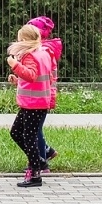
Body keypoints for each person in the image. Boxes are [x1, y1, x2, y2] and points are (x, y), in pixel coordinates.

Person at [6, 23, 54, 188]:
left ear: (25, 40)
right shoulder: (43, 54)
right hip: (37, 102)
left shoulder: (29, 55)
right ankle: (38, 161)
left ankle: (35, 173)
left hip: (33, 104)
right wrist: (17, 79)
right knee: (17, 133)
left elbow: (32, 75)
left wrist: (15, 66)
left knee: (28, 137)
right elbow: (36, 77)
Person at [28, 15, 62, 168]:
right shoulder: (43, 50)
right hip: (41, 95)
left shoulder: (43, 52)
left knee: (35, 131)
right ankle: (46, 152)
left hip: (42, 96)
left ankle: (42, 162)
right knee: (36, 129)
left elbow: (36, 75)